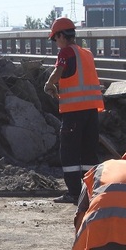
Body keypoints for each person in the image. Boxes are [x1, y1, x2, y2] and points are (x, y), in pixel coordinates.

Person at [43, 17, 103, 204]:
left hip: (74, 112)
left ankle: (74, 193)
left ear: (61, 35)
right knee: (88, 152)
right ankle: (90, 191)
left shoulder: (66, 52)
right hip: (91, 111)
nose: (56, 43)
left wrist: (48, 84)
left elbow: (58, 72)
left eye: (55, 39)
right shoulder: (86, 53)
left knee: (69, 153)